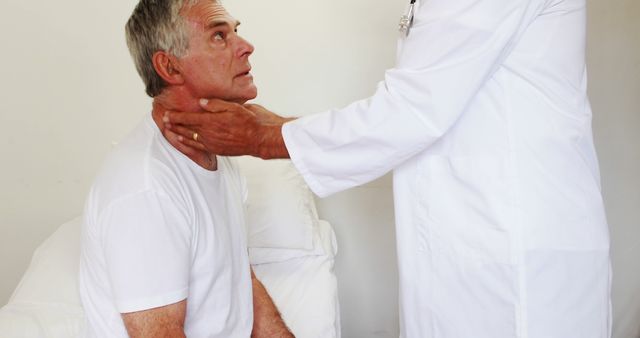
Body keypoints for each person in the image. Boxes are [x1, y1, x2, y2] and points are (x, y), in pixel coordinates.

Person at [162, 0, 612, 337]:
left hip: (517, 262)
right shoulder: (149, 183)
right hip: (473, 247)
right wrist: (277, 129)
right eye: (220, 35)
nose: (246, 46)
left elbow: (413, 111)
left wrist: (266, 137)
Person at [78, 0, 293, 337]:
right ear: (170, 67)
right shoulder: (145, 189)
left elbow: (240, 279)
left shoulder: (218, 153)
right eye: (219, 36)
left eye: (236, 31)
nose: (246, 47)